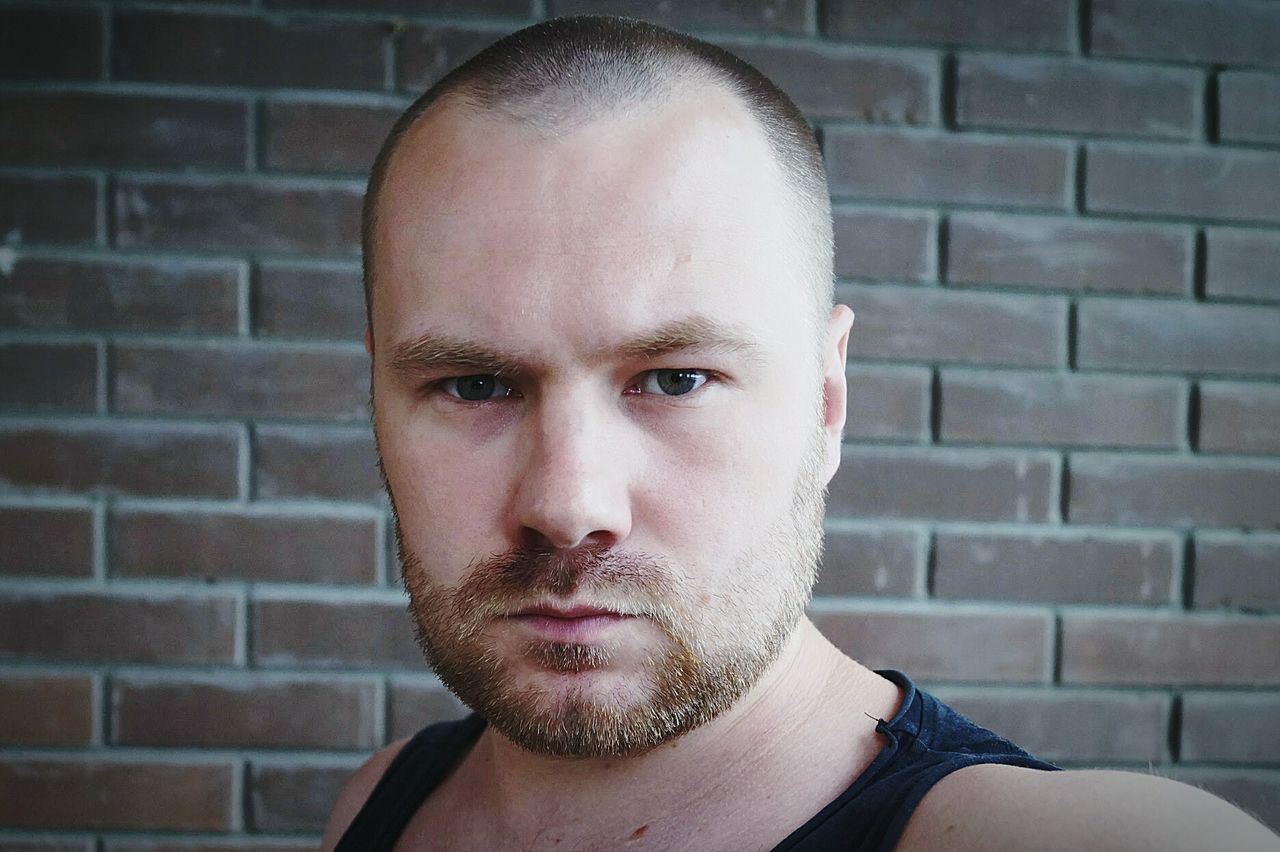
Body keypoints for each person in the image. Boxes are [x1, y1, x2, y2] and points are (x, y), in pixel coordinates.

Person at [322, 15, 1278, 851]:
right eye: (474, 384)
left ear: (827, 400)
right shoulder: (381, 803)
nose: (568, 506)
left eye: (676, 378)